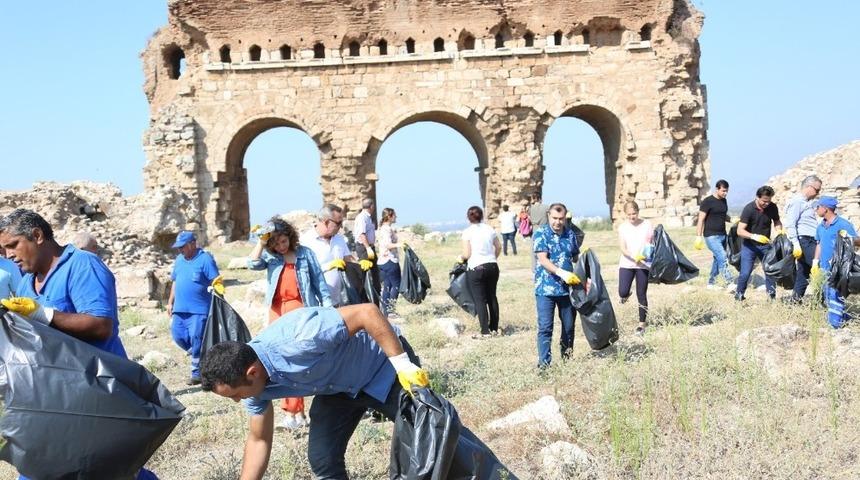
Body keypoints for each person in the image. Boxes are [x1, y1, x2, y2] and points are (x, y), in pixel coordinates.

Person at [0, 209, 157, 480]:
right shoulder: (27, 283)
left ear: (37, 235)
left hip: (98, 394)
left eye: (12, 245)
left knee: (109, 471)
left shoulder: (82, 265)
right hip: (56, 398)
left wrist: (43, 314)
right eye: (2, 250)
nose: (8, 255)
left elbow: (101, 325)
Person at [198, 303, 429, 480]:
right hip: (338, 389)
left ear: (252, 373)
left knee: (432, 437)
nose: (238, 401)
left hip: (382, 368)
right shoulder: (252, 385)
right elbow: (259, 440)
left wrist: (403, 366)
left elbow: (367, 312)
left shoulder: (300, 338)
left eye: (235, 395)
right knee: (323, 459)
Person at [249, 217, 332, 429]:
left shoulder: (305, 255)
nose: (280, 246)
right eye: (275, 244)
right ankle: (293, 413)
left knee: (296, 359)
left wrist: (328, 308)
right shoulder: (271, 257)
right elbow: (252, 264)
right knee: (277, 359)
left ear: (290, 237)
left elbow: (319, 282)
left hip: (300, 310)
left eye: (283, 241)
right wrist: (261, 241)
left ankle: (296, 412)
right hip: (277, 311)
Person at [167, 230, 221, 385]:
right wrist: (170, 302)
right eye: (178, 247)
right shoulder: (179, 259)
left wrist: (218, 296)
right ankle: (202, 354)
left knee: (197, 339)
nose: (180, 250)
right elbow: (175, 282)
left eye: (182, 246)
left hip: (199, 309)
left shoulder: (205, 259)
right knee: (178, 336)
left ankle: (197, 373)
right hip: (179, 308)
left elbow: (216, 281)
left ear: (192, 244)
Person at [533, 203, 580, 368]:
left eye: (561, 219)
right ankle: (544, 364)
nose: (558, 222)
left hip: (567, 291)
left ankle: (567, 360)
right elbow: (543, 259)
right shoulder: (541, 234)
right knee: (545, 327)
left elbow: (575, 257)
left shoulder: (570, 234)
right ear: (548, 215)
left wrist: (585, 265)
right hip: (545, 289)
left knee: (568, 327)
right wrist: (561, 273)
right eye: (554, 218)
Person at [811, 196, 857, 328]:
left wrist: (848, 238)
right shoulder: (821, 226)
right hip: (824, 267)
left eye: (818, 207)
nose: (816, 209)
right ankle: (844, 318)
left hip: (839, 268)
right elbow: (819, 244)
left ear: (825, 208)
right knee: (828, 296)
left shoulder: (843, 224)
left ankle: (835, 325)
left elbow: (857, 241)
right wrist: (815, 262)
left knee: (834, 294)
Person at [299, 204, 355, 307]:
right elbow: (303, 272)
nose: (341, 226)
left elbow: (348, 259)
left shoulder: (339, 239)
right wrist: (328, 266)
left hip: (340, 301)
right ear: (326, 221)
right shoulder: (306, 241)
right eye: (338, 223)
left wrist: (360, 264)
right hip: (319, 303)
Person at [735, 186, 783, 302]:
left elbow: (776, 221)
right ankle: (739, 295)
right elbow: (740, 230)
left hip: (765, 246)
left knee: (770, 271)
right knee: (745, 273)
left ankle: (771, 298)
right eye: (764, 201)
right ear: (757, 197)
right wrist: (754, 236)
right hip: (749, 246)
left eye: (769, 201)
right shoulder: (749, 209)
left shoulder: (772, 207)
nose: (766, 203)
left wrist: (779, 231)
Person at [460, 206, 502, 337]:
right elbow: (498, 246)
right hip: (492, 265)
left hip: (477, 267)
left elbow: (467, 254)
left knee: (480, 300)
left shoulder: (467, 232)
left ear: (468, 217)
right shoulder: (489, 229)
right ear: (482, 216)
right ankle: (494, 328)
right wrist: (492, 257)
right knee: (492, 297)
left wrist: (461, 258)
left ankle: (485, 331)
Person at [783, 175, 822, 302]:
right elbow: (790, 223)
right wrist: (796, 243)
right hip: (805, 240)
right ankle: (824, 301)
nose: (818, 193)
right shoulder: (797, 202)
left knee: (804, 273)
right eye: (817, 190)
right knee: (820, 269)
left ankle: (795, 300)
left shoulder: (806, 203)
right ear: (809, 187)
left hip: (809, 239)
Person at [617, 201, 654, 335]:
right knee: (622, 291)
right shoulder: (623, 228)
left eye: (634, 213)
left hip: (643, 264)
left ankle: (642, 324)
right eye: (629, 215)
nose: (632, 216)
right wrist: (633, 256)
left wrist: (645, 256)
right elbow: (622, 248)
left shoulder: (647, 224)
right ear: (625, 215)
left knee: (641, 294)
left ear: (638, 212)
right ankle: (625, 295)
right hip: (627, 262)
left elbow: (651, 243)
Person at [694, 179, 735, 290]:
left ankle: (711, 283)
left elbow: (722, 215)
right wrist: (698, 236)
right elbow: (701, 219)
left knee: (718, 259)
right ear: (717, 189)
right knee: (723, 256)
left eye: (727, 191)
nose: (725, 193)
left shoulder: (724, 201)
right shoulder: (707, 201)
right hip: (711, 236)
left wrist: (732, 219)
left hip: (723, 235)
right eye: (723, 191)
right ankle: (729, 281)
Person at [376, 207, 404, 319]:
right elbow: (388, 244)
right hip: (390, 259)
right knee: (396, 285)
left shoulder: (382, 228)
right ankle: (391, 310)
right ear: (389, 216)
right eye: (394, 215)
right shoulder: (386, 229)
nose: (396, 217)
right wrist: (400, 244)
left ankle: (385, 311)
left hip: (382, 261)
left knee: (387, 286)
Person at [353, 198, 380, 295]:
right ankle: (361, 295)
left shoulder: (368, 217)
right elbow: (361, 234)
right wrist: (368, 248)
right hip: (364, 247)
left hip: (369, 246)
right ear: (372, 206)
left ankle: (376, 295)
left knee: (375, 273)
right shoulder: (362, 217)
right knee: (363, 273)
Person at [528, 194, 550, 271]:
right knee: (545, 250)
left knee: (534, 251)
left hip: (534, 230)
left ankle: (534, 268)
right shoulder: (546, 207)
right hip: (544, 230)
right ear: (540, 198)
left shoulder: (530, 208)